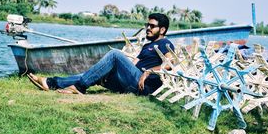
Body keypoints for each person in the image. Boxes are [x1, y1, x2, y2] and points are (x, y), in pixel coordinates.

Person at [28, 13, 174, 95]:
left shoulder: (165, 44)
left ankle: (79, 88)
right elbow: (133, 64)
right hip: (130, 80)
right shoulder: (148, 45)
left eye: (152, 26)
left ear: (162, 30)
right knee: (96, 73)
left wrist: (148, 72)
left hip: (143, 86)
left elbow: (170, 64)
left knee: (115, 54)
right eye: (147, 25)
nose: (148, 28)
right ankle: (51, 83)